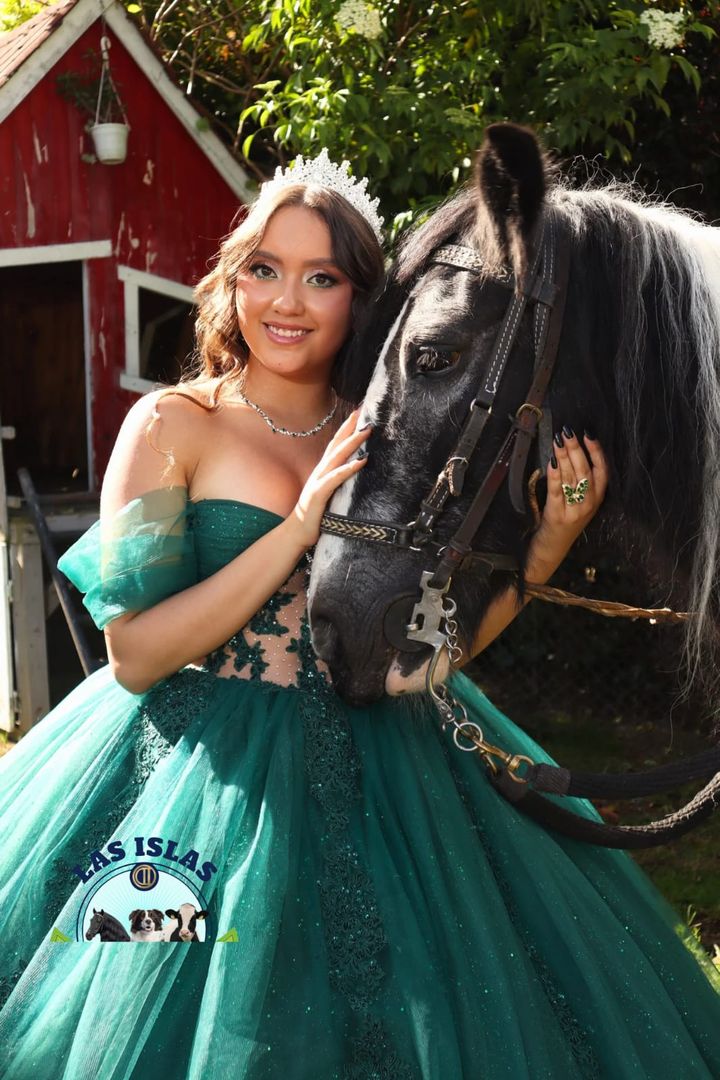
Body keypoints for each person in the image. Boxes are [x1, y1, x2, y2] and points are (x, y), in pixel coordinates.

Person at [0, 151, 718, 1080]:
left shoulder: (387, 427)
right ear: (233, 280)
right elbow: (135, 655)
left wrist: (544, 550)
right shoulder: (175, 424)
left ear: (362, 299)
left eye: (321, 277)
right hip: (202, 777)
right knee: (173, 1010)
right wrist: (297, 530)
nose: (286, 302)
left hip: (397, 771)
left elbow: (423, 659)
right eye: (264, 270)